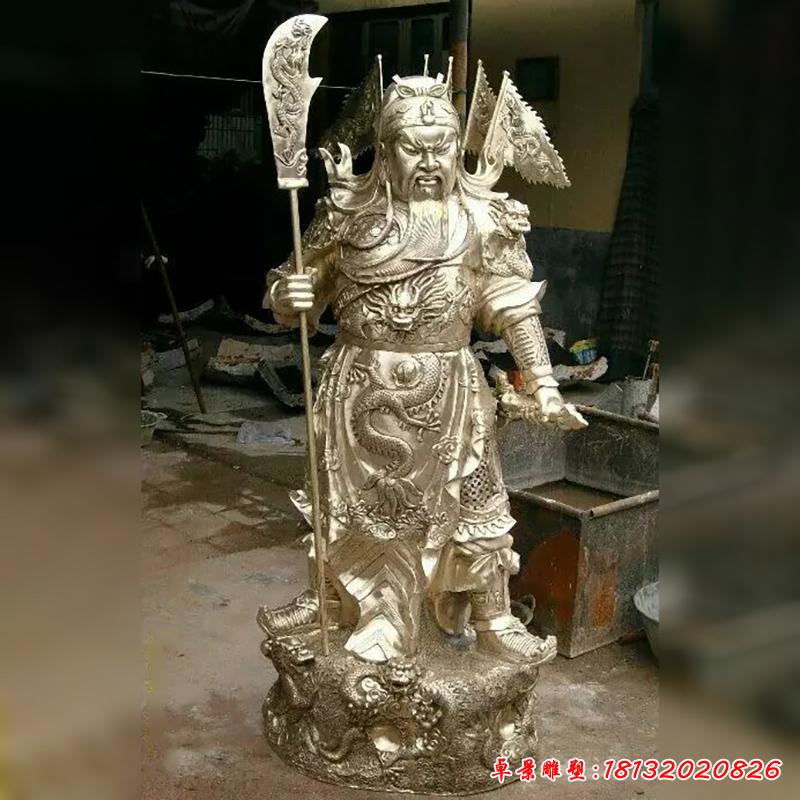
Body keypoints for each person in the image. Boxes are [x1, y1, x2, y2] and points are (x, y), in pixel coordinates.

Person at [258, 73, 586, 665]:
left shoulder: (482, 217)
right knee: (339, 503)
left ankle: (492, 615)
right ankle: (328, 599)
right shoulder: (347, 214)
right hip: (357, 385)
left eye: (443, 147)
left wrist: (542, 383)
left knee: (477, 502)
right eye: (414, 147)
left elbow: (512, 305)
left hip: (450, 389)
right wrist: (290, 295)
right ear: (385, 152)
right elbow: (298, 283)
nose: (430, 162)